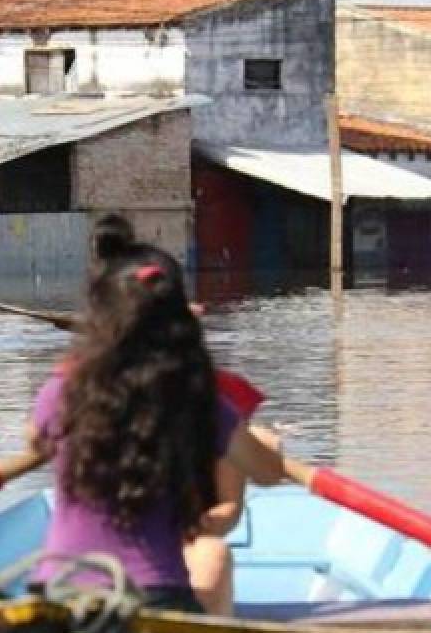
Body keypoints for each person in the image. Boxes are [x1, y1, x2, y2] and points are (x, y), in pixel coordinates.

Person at [28, 244, 287, 613]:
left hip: (58, 595)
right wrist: (266, 446)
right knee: (209, 576)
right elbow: (269, 473)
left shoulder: (59, 392)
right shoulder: (199, 397)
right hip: (156, 595)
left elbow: (37, 446)